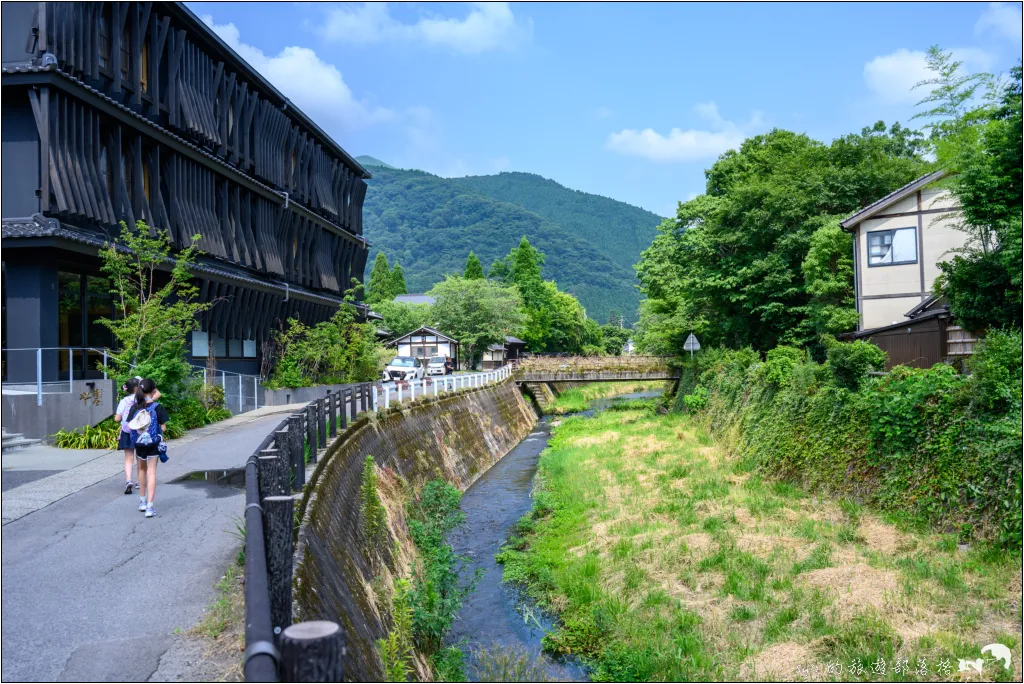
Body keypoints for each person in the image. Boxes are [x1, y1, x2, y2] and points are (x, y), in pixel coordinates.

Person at [127, 378, 169, 518]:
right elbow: (163, 427)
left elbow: (129, 425)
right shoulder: (157, 407)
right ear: (154, 390)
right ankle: (150, 507)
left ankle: (142, 502)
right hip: (153, 443)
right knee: (151, 472)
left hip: (139, 444)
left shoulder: (135, 407)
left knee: (141, 469)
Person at [114, 378, 140, 494]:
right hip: (140, 431)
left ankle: (128, 480)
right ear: (136, 388)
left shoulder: (124, 401)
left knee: (128, 458)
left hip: (127, 431)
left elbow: (117, 418)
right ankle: (139, 481)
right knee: (140, 457)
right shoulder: (142, 399)